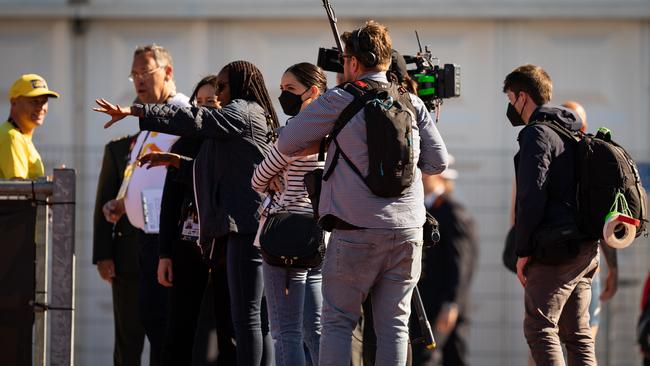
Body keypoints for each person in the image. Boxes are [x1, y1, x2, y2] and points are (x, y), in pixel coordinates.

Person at [276, 20, 449, 365]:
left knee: (338, 322)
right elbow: (438, 163)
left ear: (354, 63)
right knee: (395, 327)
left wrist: (328, 137)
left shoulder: (338, 99)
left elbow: (287, 141)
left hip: (355, 231)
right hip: (407, 230)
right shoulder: (411, 101)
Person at [95, 60, 278, 366]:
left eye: (221, 87)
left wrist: (136, 110)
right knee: (238, 321)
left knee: (246, 322)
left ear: (239, 85)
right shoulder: (233, 122)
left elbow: (192, 117)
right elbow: (210, 173)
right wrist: (177, 161)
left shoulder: (242, 112)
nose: (217, 96)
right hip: (228, 233)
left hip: (245, 230)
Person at [100, 43, 191, 365]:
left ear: (167, 72)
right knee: (148, 327)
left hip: (168, 241)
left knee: (165, 332)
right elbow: (148, 178)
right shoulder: (150, 125)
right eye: (133, 74)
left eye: (145, 72)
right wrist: (124, 204)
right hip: (145, 240)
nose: (138, 80)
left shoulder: (180, 113)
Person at [504, 64, 599, 365]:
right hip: (585, 248)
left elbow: (531, 196)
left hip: (555, 250)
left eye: (510, 99)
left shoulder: (537, 134)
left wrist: (523, 251)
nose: (510, 107)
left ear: (522, 97)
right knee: (577, 334)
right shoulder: (572, 132)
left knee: (540, 327)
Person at [139, 75, 236, 365]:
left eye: (213, 102)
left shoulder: (233, 143)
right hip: (186, 246)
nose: (205, 109)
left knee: (227, 328)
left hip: (225, 247)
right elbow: (169, 203)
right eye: (200, 102)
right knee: (178, 328)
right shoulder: (183, 142)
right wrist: (165, 254)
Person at [250, 62, 327, 366]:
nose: (283, 96)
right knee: (317, 330)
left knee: (285, 332)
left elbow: (257, 180)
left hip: (282, 237)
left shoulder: (291, 133)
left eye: (290, 89)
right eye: (281, 89)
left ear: (313, 91)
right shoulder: (336, 134)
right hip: (320, 237)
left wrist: (270, 176)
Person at [561, 100, 618, 343]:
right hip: (586, 263)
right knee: (584, 339)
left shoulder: (541, 154)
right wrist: (613, 268)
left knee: (543, 338)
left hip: (552, 265)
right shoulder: (594, 160)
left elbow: (518, 218)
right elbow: (605, 221)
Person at [414, 156, 478, 366]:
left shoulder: (452, 212)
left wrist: (452, 303)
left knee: (442, 358)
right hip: (427, 301)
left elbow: (462, 263)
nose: (421, 176)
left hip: (444, 304)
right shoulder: (423, 210)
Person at [93, 133, 148, 366]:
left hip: (169, 258)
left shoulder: (178, 142)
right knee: (128, 339)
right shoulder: (119, 149)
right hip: (127, 258)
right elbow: (104, 200)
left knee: (167, 339)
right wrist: (103, 255)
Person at [0, 74, 59, 179]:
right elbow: (17, 190)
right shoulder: (12, 137)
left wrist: (49, 183)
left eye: (44, 101)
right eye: (34, 101)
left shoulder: (18, 135)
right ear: (14, 102)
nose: (41, 107)